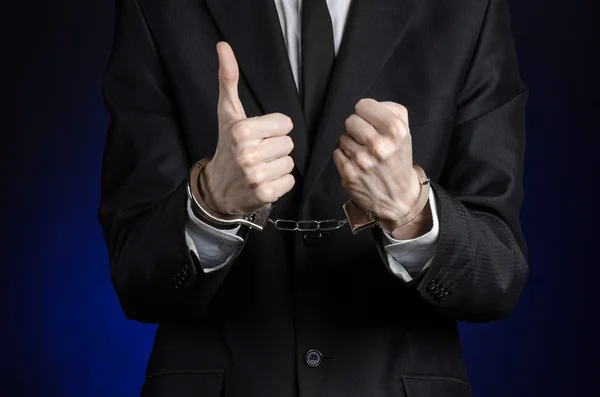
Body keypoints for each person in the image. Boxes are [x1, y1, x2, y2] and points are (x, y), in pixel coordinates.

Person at [98, 0, 529, 395]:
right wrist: (209, 204)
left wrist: (412, 212)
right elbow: (138, 283)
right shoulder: (159, 8)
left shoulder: (470, 9)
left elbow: (497, 279)